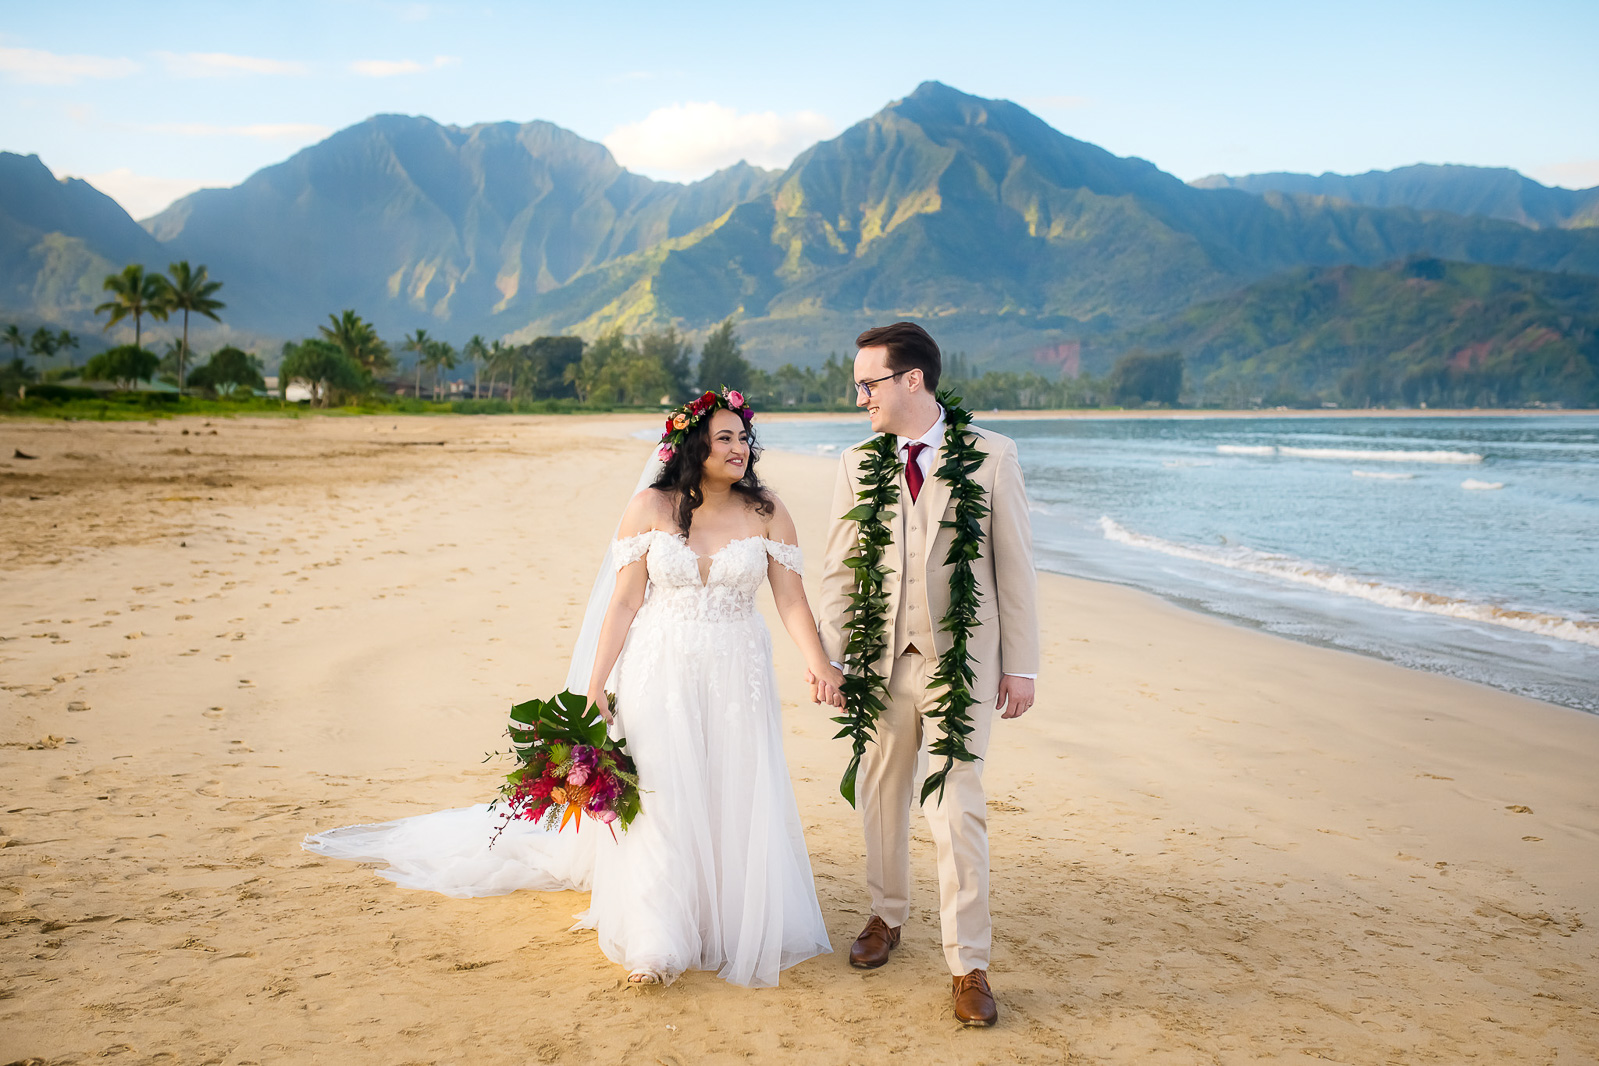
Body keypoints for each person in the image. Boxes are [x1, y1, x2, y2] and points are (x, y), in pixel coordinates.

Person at [305, 387, 842, 989]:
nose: (739, 448)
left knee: (731, 786)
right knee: (662, 795)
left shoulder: (767, 511)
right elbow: (623, 602)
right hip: (659, 669)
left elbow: (791, 599)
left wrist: (819, 664)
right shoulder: (649, 507)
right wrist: (595, 687)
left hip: (737, 672)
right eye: (725, 437)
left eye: (744, 437)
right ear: (694, 443)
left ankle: (727, 913)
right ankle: (655, 939)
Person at [811, 322, 1040, 1026]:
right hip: (879, 666)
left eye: (868, 384)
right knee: (880, 795)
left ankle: (968, 963)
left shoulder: (991, 457)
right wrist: (833, 658)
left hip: (961, 666)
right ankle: (885, 916)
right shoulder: (858, 463)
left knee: (956, 806)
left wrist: (1021, 666)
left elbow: (1015, 567)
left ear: (912, 380)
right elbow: (839, 568)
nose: (860, 399)